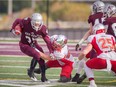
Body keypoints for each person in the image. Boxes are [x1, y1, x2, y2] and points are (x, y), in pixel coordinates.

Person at [11, 13, 53, 82]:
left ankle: (43, 77)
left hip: (33, 44)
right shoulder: (26, 22)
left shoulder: (42, 28)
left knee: (41, 54)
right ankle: (30, 71)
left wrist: (51, 51)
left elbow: (48, 41)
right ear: (32, 22)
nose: (37, 25)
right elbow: (18, 20)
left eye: (38, 23)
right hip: (24, 44)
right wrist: (13, 28)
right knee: (37, 54)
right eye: (35, 23)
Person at [72, 0, 105, 83]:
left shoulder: (92, 17)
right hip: (106, 40)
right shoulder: (107, 16)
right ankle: (78, 75)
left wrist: (80, 42)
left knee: (86, 57)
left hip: (95, 39)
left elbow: (90, 31)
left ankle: (80, 74)